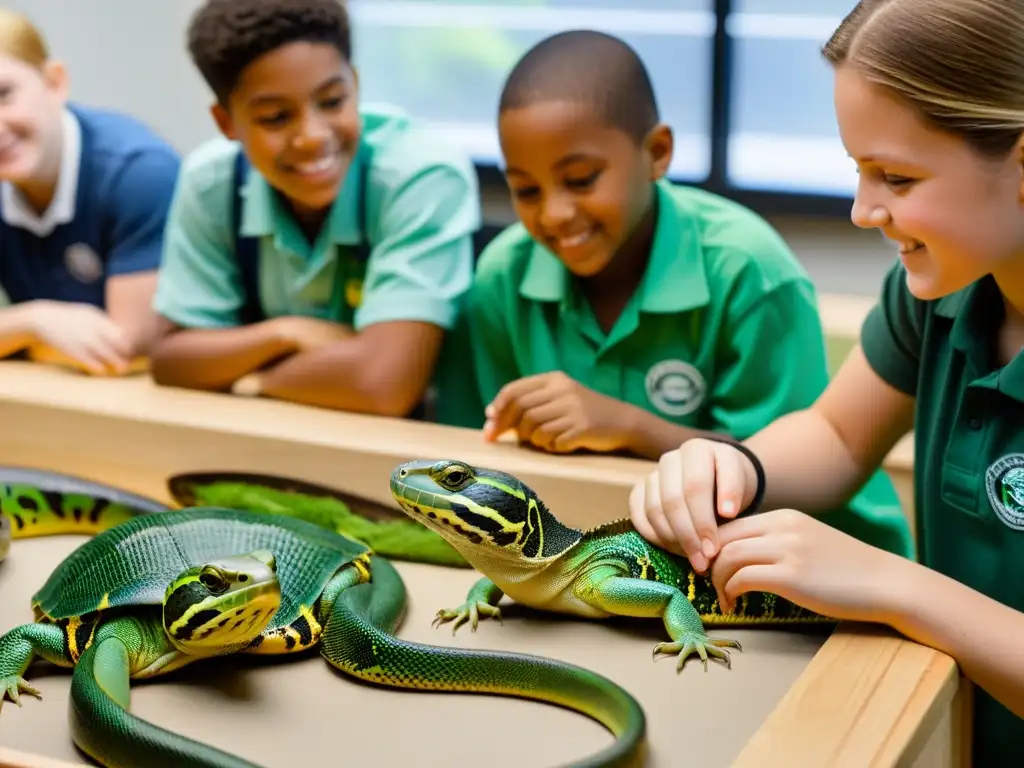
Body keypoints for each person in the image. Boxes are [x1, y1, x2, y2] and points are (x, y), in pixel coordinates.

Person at [628, 1, 1024, 763]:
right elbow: (840, 433)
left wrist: (894, 584)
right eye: (856, 169)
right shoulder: (936, 296)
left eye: (896, 176)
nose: (862, 209)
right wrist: (736, 464)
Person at [469, 30, 912, 557]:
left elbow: (778, 474)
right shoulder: (502, 277)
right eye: (526, 190)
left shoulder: (750, 272)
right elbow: (479, 463)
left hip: (815, 568)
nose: (555, 213)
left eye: (582, 179)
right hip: (620, 557)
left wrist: (627, 425)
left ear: (657, 153)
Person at [150, 0, 481, 421]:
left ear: (356, 85)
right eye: (275, 117)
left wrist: (248, 379)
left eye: (332, 101)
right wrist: (284, 334)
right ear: (226, 122)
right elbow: (172, 360)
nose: (311, 137)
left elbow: (382, 386)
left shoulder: (419, 174)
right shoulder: (213, 181)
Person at [0, 8, 180, 376]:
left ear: (55, 83)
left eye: (4, 94)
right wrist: (32, 321)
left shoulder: (139, 173)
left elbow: (122, 348)